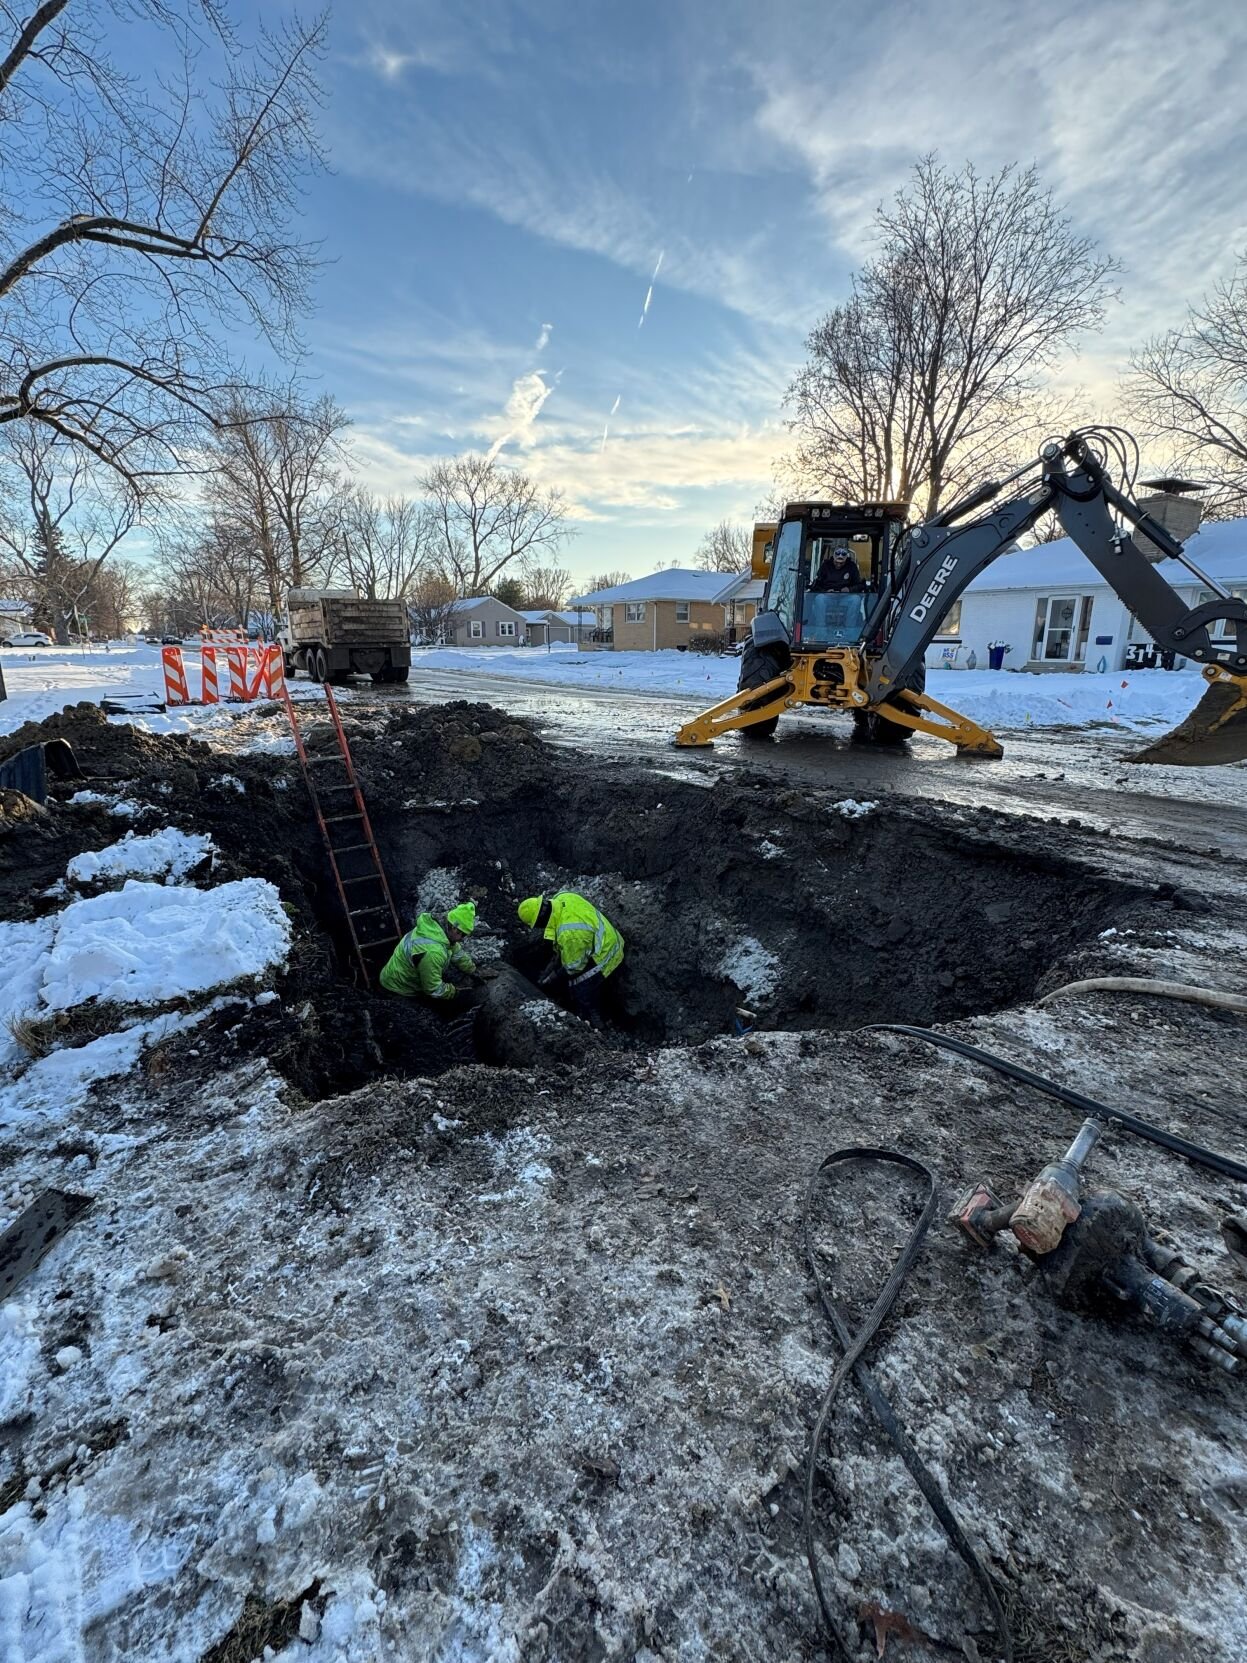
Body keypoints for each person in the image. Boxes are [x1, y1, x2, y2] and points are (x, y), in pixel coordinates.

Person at [517, 891, 624, 1028]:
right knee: (571, 966)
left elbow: (574, 967)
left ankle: (597, 1023)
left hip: (607, 952)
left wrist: (552, 978)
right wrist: (548, 971)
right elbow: (563, 951)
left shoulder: (568, 934)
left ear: (539, 920)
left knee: (579, 987)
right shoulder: (562, 896)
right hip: (602, 936)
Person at [379, 901, 480, 1001]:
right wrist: (455, 992)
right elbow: (433, 989)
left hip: (395, 974)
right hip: (398, 988)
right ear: (454, 928)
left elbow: (456, 952)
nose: (462, 939)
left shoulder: (435, 929)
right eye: (463, 935)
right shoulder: (433, 953)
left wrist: (472, 970)